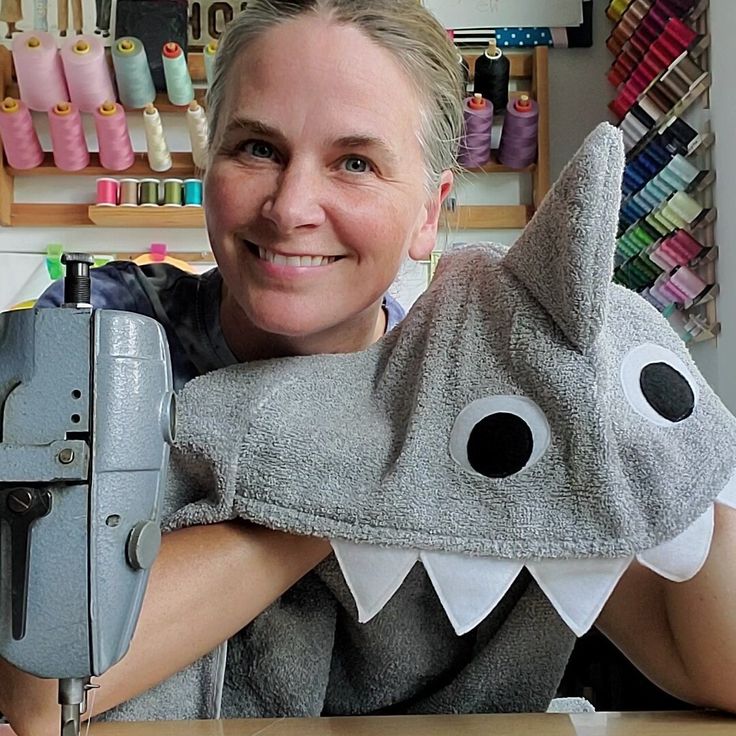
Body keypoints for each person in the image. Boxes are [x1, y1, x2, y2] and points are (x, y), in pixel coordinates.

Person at [1, 0, 736, 732]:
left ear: (428, 212)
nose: (290, 207)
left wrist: (670, 447)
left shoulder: (493, 394)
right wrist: (377, 462)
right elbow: (42, 684)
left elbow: (716, 665)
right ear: (209, 161)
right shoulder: (98, 337)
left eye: (355, 162)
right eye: (257, 148)